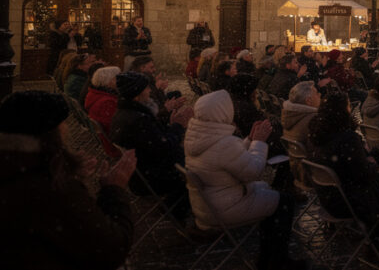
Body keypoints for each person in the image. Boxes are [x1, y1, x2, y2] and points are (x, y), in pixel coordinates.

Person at [0, 90, 137, 270]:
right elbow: (111, 248)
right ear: (53, 133)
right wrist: (113, 190)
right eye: (63, 124)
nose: (66, 129)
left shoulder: (19, 169)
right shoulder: (50, 188)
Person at [184, 90, 304, 270]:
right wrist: (259, 142)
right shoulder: (223, 143)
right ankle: (277, 260)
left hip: (207, 204)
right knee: (284, 202)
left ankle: (269, 257)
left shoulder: (198, 137)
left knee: (271, 198)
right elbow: (252, 172)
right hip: (226, 207)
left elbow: (232, 159)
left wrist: (249, 139)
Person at [307, 93, 379, 265]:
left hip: (328, 196)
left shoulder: (318, 134)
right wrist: (372, 163)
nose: (350, 110)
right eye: (347, 106)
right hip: (347, 200)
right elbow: (363, 174)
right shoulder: (346, 138)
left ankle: (375, 243)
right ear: (342, 112)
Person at [110, 71, 192, 220]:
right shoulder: (138, 119)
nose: (149, 91)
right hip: (151, 177)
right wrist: (178, 127)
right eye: (146, 88)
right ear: (137, 94)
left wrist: (170, 124)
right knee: (195, 177)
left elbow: (154, 139)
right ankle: (176, 212)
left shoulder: (126, 113)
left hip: (141, 172)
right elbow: (164, 147)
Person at [85, 65, 122, 157]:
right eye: (117, 78)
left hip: (105, 142)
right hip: (114, 146)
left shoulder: (95, 94)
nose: (121, 81)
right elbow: (114, 129)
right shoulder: (107, 102)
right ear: (109, 82)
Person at [281, 81, 320, 149]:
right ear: (308, 101)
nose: (320, 94)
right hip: (307, 158)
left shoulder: (290, 115)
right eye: (316, 93)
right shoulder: (313, 120)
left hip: (294, 158)